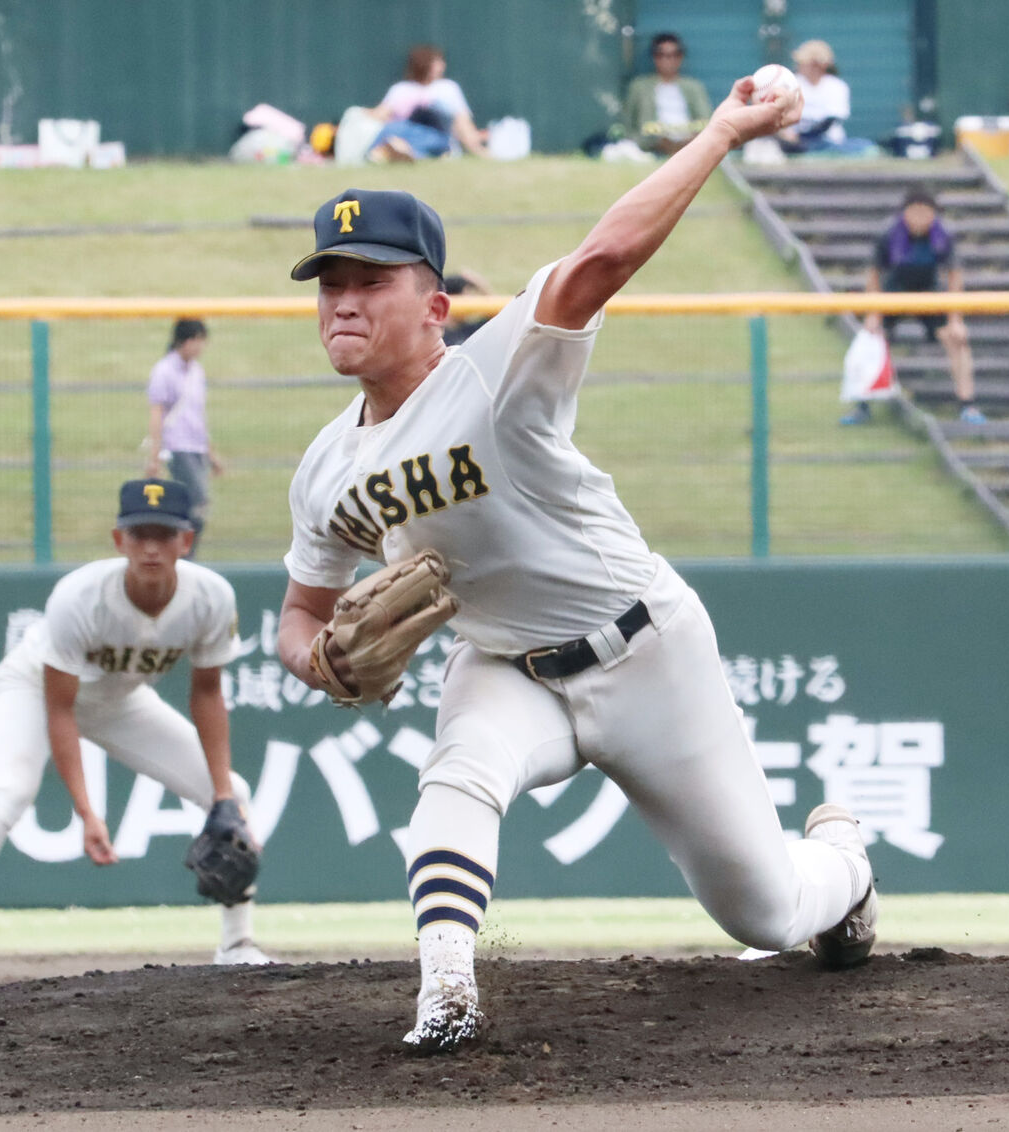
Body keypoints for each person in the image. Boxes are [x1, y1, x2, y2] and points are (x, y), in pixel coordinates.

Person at [276, 73, 878, 1056]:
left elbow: (603, 254)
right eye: (329, 283)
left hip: (646, 652)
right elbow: (298, 616)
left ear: (433, 303)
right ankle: (448, 989)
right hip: (505, 665)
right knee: (457, 774)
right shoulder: (325, 467)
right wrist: (318, 663)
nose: (343, 301)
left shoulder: (495, 366)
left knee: (766, 913)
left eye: (369, 281)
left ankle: (845, 862)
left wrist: (722, 131)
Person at [0, 479, 270, 989]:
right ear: (118, 540)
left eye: (164, 534)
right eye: (139, 533)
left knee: (235, 794)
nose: (150, 547)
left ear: (186, 541)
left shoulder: (210, 597)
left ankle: (236, 944)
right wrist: (87, 812)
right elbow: (60, 708)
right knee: (9, 789)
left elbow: (207, 694)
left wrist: (222, 796)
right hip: (31, 687)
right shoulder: (80, 596)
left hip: (121, 699)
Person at [844, 185, 985, 426]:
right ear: (904, 213)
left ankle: (967, 404)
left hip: (929, 294)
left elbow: (954, 276)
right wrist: (873, 313)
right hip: (894, 293)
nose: (920, 218)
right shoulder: (888, 234)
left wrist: (955, 320)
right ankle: (862, 405)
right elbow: (874, 274)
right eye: (914, 212)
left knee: (957, 340)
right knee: (870, 340)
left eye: (925, 213)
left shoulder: (942, 235)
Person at [145, 319, 223, 558]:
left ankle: (182, 554)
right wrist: (154, 456)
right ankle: (180, 555)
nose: (200, 347)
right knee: (196, 502)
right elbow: (157, 414)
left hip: (196, 447)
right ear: (184, 341)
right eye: (197, 340)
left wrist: (211, 454)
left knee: (195, 506)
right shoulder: (164, 371)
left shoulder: (196, 372)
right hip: (178, 447)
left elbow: (198, 417)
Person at [367, 44, 489, 163]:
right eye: (437, 62)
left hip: (437, 137)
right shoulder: (400, 89)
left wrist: (477, 147)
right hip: (403, 133)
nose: (443, 65)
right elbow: (380, 114)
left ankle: (402, 151)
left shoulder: (448, 88)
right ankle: (387, 150)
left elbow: (462, 121)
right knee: (394, 128)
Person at [622, 33, 712, 156]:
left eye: (674, 55)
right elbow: (628, 124)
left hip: (689, 142)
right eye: (661, 55)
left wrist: (692, 138)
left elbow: (706, 120)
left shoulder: (694, 87)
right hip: (653, 144)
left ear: (681, 57)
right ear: (654, 57)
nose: (668, 60)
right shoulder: (639, 86)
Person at [777, 39, 872, 156]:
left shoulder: (836, 86)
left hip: (828, 142)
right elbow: (779, 118)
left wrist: (803, 137)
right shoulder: (790, 84)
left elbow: (831, 121)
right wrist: (786, 135)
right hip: (793, 143)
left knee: (864, 146)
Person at [442, 268, 492, 346]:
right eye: (466, 300)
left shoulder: (471, 330)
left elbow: (498, 318)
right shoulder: (438, 335)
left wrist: (481, 286)